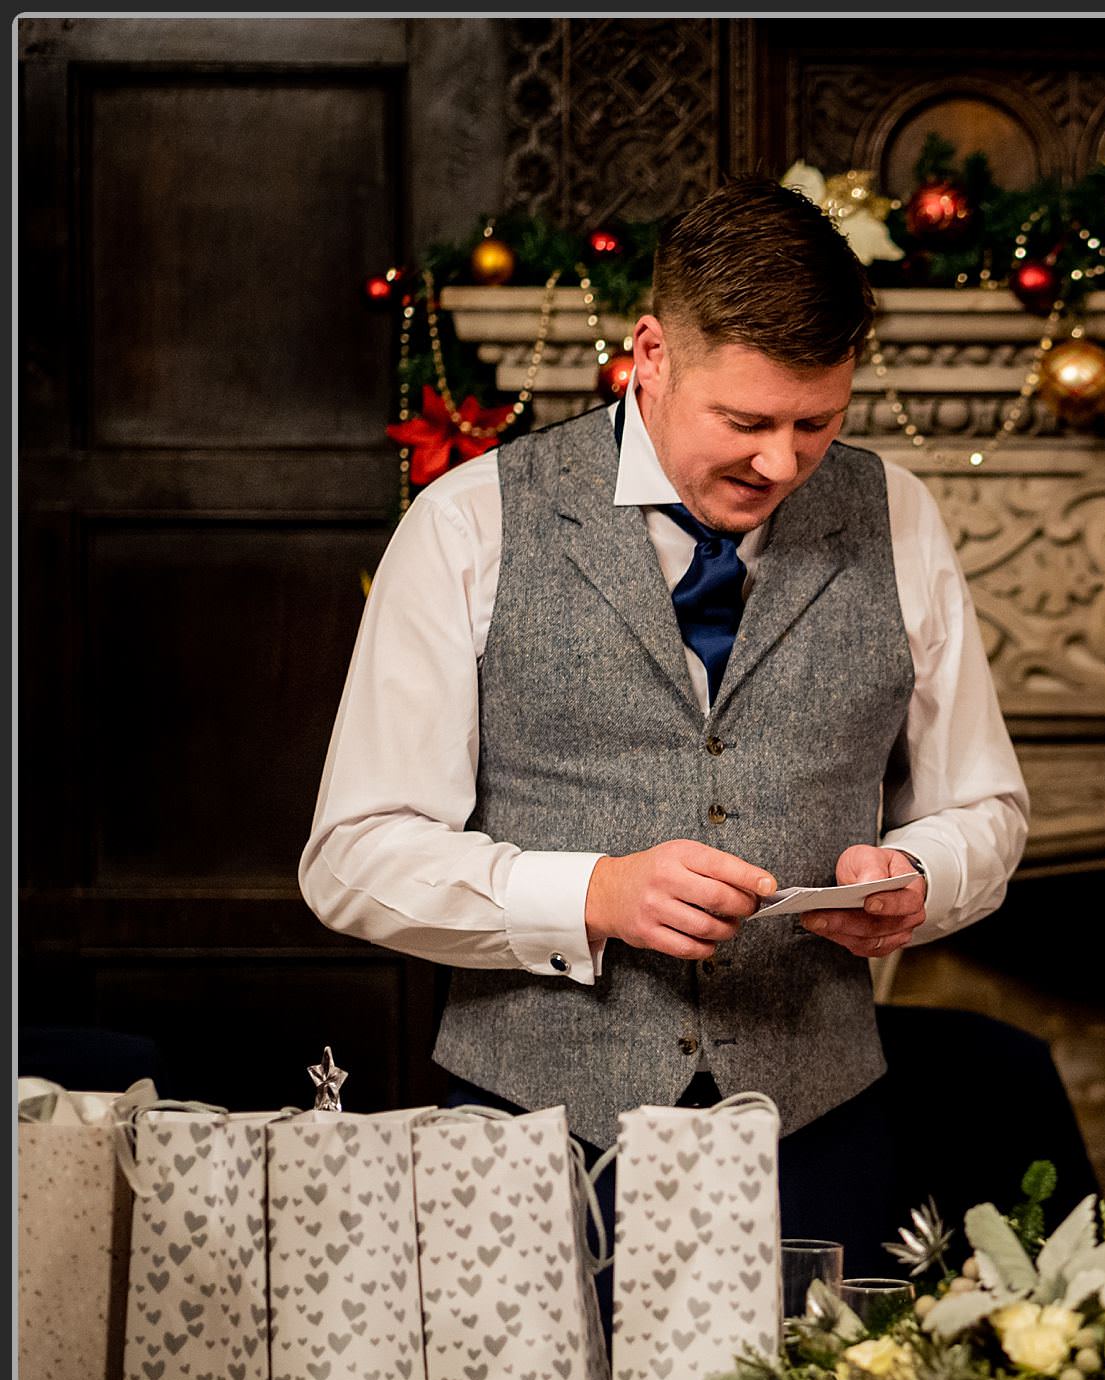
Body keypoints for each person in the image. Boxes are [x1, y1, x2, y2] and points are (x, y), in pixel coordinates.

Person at [298, 176, 1034, 1272]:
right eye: (744, 421)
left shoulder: (898, 516)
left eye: (817, 423)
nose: (781, 462)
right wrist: (590, 894)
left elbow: (987, 805)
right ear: (649, 353)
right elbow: (351, 858)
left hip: (823, 1135)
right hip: (528, 1134)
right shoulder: (469, 519)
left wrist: (922, 875)